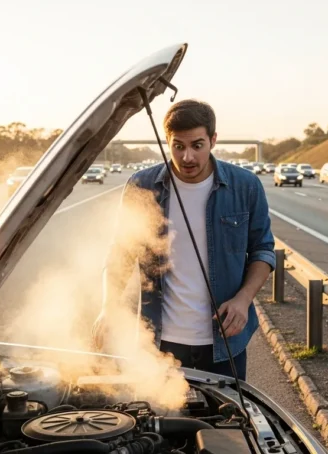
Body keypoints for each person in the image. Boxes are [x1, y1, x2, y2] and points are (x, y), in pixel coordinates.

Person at [93, 99, 275, 381]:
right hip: (158, 343)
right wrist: (108, 306)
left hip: (225, 342)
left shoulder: (245, 186)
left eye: (197, 145)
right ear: (167, 142)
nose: (187, 157)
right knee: (157, 411)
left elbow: (263, 251)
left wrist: (243, 299)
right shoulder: (142, 186)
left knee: (224, 412)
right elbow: (121, 252)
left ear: (213, 140)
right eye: (178, 146)